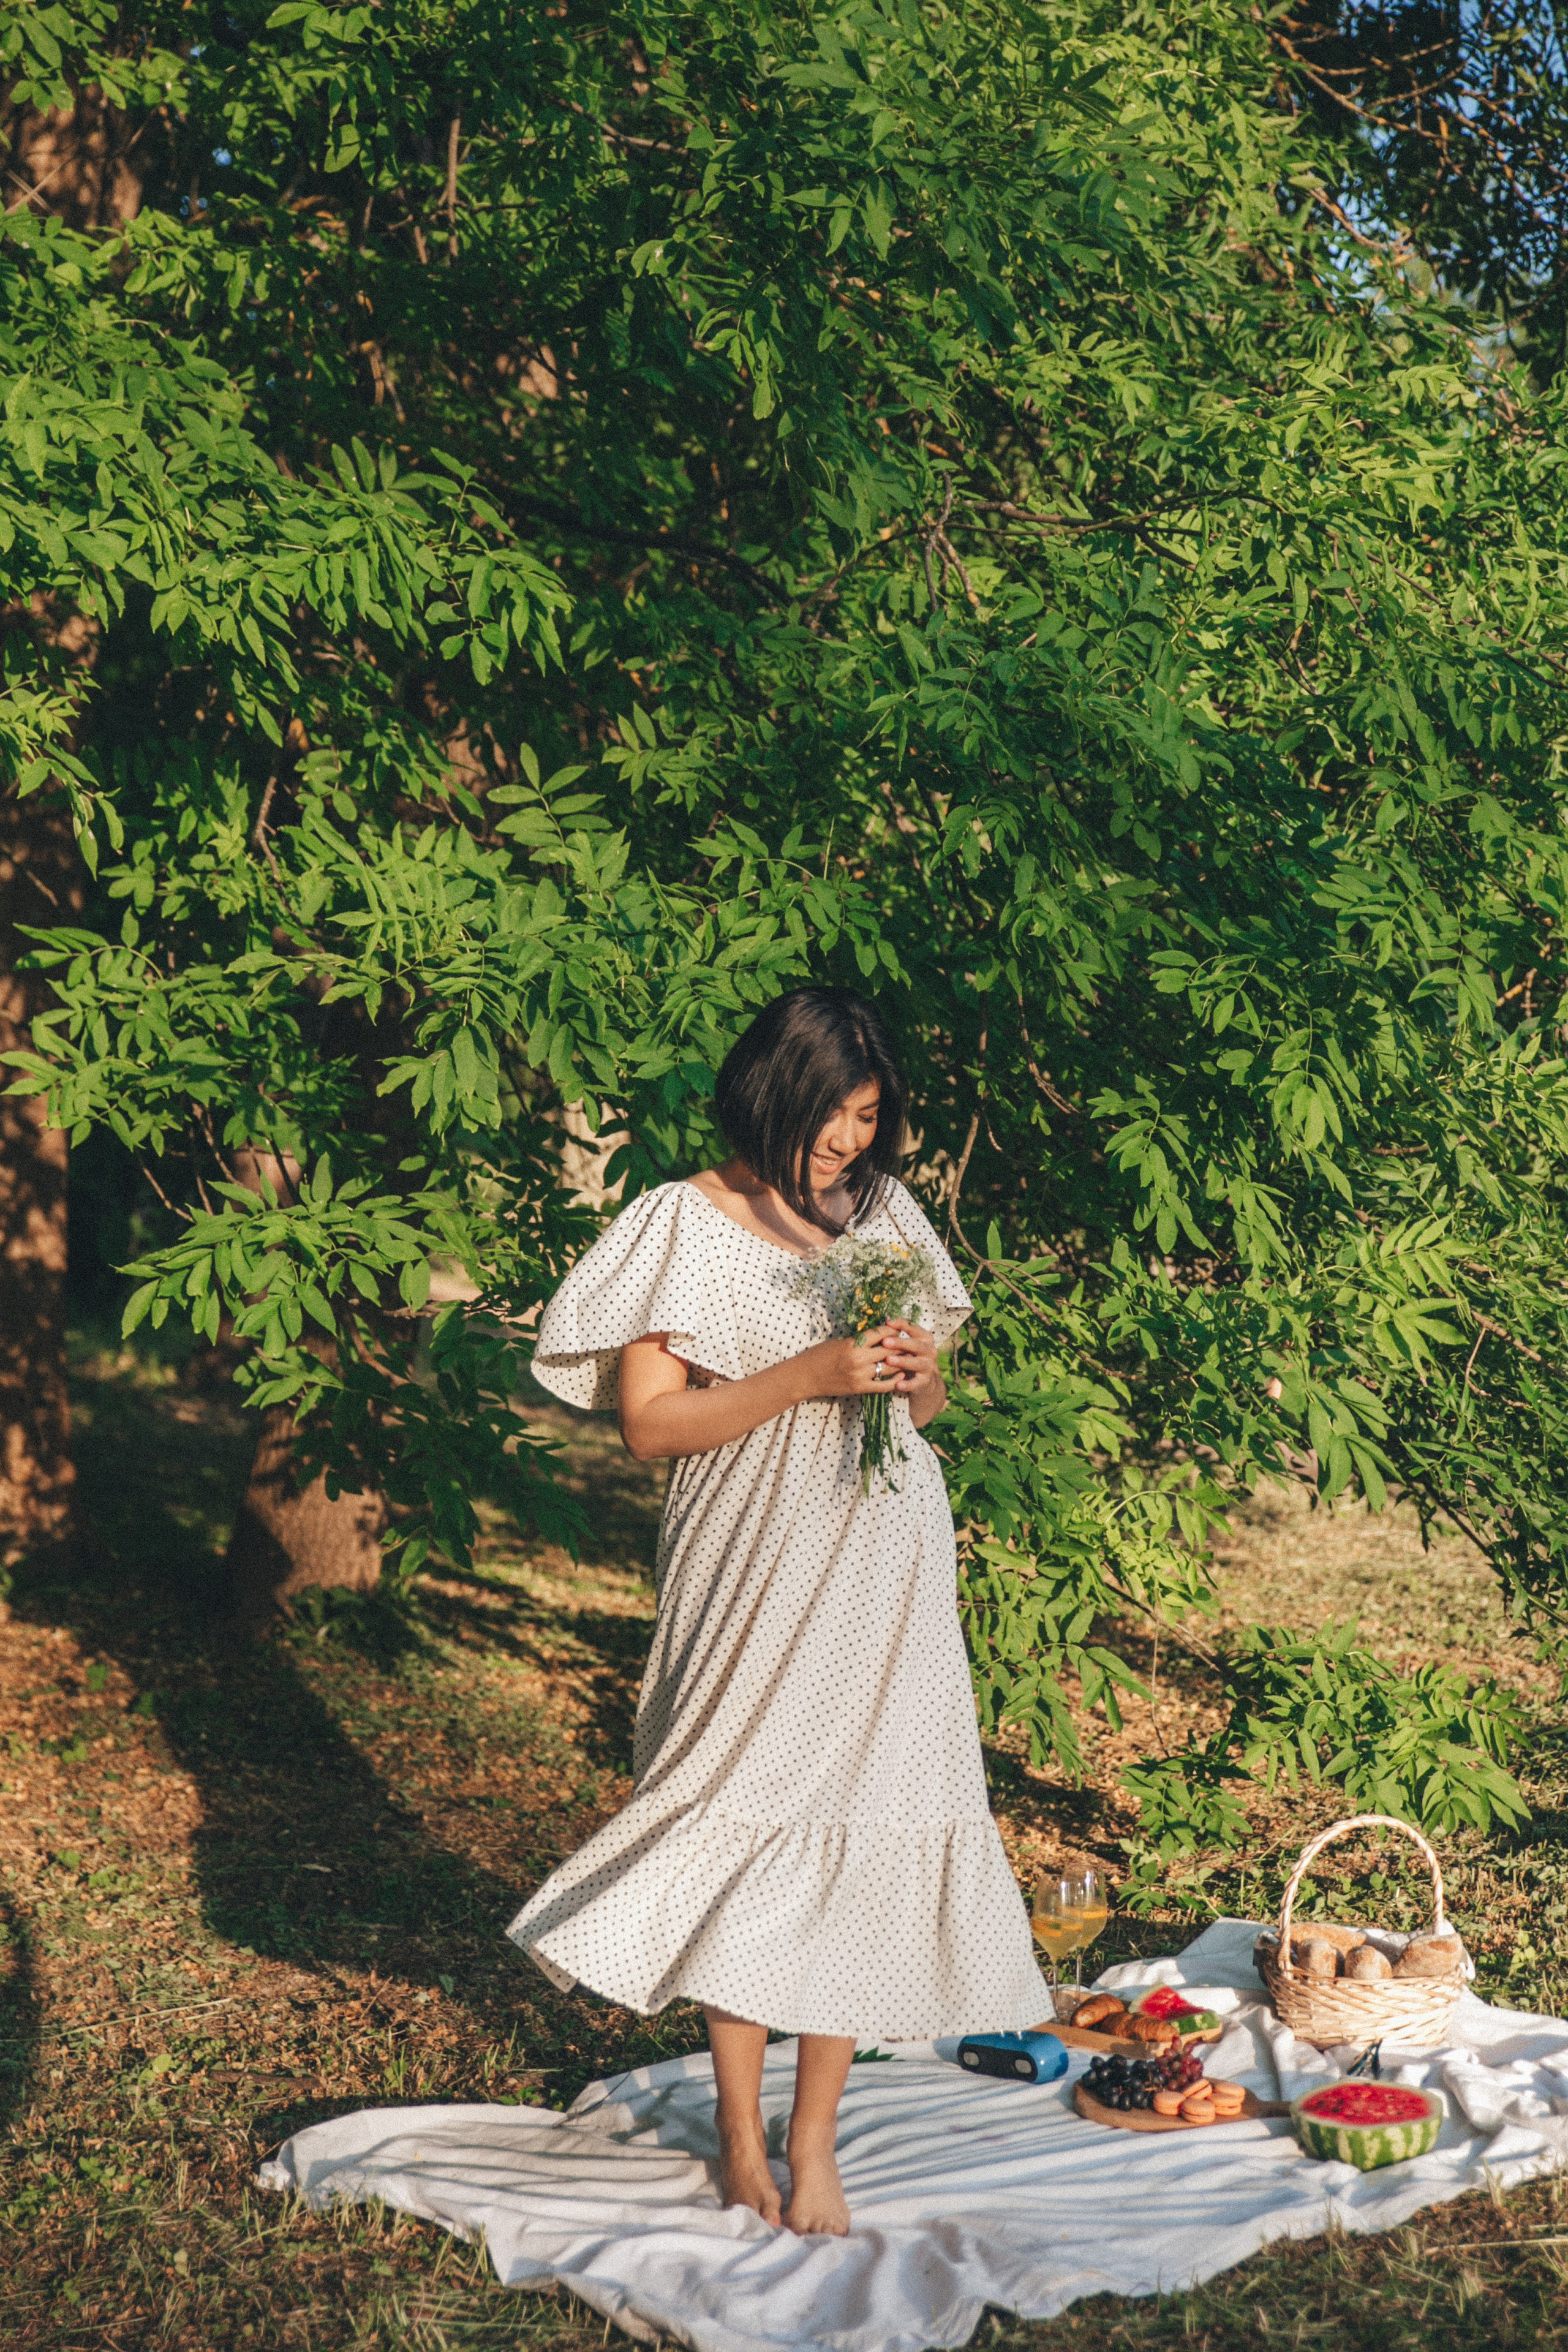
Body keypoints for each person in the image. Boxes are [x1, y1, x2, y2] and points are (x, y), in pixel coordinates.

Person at [507, 987, 1049, 2235]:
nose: (850, 1143)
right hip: (750, 1562)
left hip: (888, 1561)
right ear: (771, 1093)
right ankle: (738, 2137)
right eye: (831, 1116)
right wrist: (804, 1374)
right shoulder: (677, 1224)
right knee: (745, 1812)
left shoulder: (886, 1216)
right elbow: (650, 1425)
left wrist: (918, 1376)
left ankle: (817, 2146)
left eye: (867, 1117)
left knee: (864, 1824)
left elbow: (929, 1410)